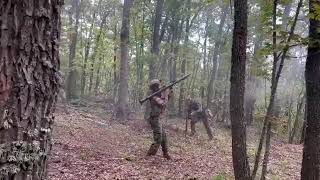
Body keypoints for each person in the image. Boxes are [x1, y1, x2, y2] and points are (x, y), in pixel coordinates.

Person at [147, 79, 172, 160]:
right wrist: (166, 94)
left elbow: (166, 99)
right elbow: (163, 104)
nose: (157, 87)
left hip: (158, 118)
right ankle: (150, 154)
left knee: (164, 137)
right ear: (153, 88)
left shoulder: (158, 95)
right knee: (158, 137)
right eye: (155, 86)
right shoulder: (154, 97)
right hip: (154, 119)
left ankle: (165, 153)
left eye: (157, 86)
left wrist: (168, 93)